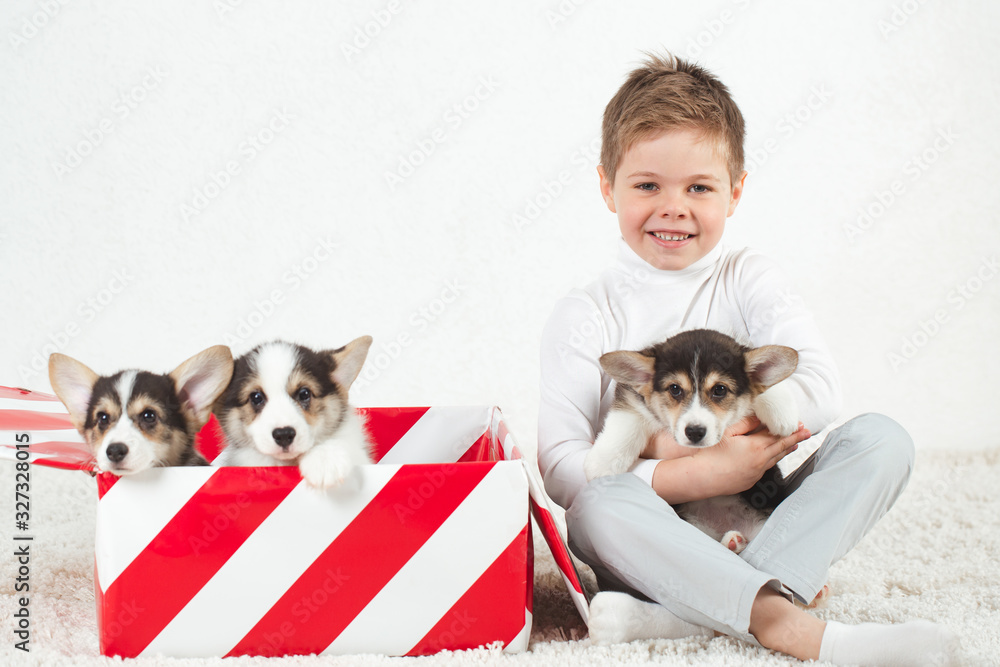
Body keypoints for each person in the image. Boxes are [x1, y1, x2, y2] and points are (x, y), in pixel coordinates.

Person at [536, 53, 955, 664]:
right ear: (607, 186)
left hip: (752, 516)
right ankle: (791, 624)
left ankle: (688, 616)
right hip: (652, 543)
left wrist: (733, 448)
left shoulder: (748, 276)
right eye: (648, 185)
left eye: (699, 187)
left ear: (734, 192)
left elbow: (820, 390)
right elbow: (561, 468)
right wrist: (688, 468)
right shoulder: (584, 312)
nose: (674, 207)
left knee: (881, 440)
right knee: (595, 505)